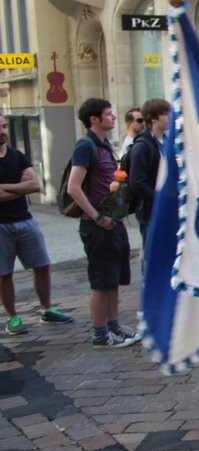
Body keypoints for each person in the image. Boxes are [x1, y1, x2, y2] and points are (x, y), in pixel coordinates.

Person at [66, 99, 140, 349]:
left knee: (113, 279)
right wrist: (97, 216)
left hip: (113, 221)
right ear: (94, 119)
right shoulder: (85, 146)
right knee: (101, 281)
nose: (114, 118)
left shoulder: (103, 144)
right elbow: (73, 187)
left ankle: (113, 325)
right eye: (109, 114)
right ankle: (100, 334)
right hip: (98, 226)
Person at [0, 114, 72, 336]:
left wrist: (5, 187)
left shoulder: (17, 155)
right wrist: (20, 187)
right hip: (1, 226)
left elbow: (34, 184)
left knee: (42, 266)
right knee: (4, 274)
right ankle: (12, 318)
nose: (3, 130)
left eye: (3, 126)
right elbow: (25, 186)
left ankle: (46, 309)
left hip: (25, 220)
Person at [127, 98, 169, 248]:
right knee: (152, 254)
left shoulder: (167, 141)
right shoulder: (142, 146)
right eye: (166, 114)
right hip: (150, 212)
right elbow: (136, 181)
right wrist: (158, 198)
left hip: (166, 210)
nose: (170, 117)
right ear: (154, 118)